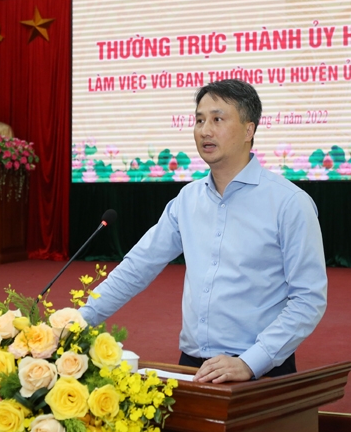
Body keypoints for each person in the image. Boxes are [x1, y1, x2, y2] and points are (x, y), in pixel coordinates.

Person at [80, 79, 327, 384]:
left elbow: (308, 299)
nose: (205, 130)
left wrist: (251, 362)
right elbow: (138, 267)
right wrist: (77, 322)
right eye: (199, 120)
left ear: (249, 130)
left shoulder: (289, 203)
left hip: (260, 371)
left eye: (217, 119)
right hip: (192, 367)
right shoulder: (187, 199)